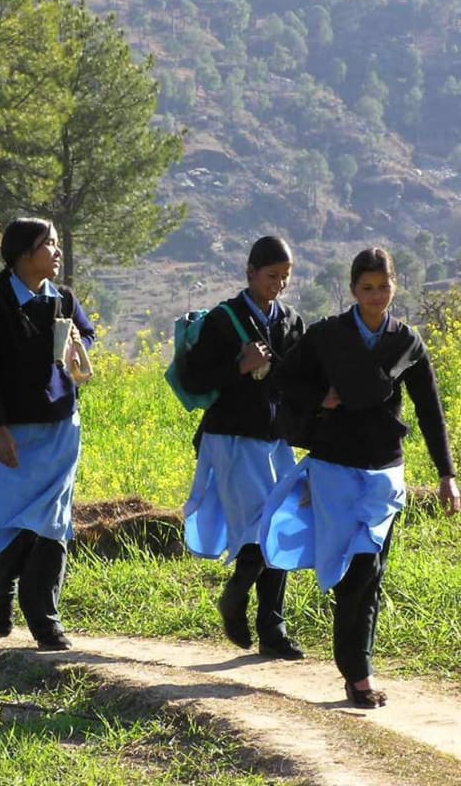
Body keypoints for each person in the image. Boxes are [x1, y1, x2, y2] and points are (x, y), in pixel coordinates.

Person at [261, 247, 460, 706]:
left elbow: (430, 411)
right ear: (353, 290)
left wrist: (447, 473)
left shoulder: (406, 341)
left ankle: (358, 673)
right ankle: (356, 669)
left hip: (384, 473)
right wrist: (322, 398)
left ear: (395, 286)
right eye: (367, 288)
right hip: (334, 469)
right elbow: (286, 379)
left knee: (369, 568)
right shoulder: (329, 335)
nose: (376, 296)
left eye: (384, 287)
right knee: (349, 570)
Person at [0, 216, 95, 651]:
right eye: (50, 245)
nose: (57, 252)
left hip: (61, 424)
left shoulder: (63, 298)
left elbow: (89, 336)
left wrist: (80, 340)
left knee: (54, 522)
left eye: (57, 244)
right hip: (17, 430)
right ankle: (2, 583)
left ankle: (45, 621)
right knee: (23, 518)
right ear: (25, 253)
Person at [181, 235, 306, 660]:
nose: (279, 285)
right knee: (259, 529)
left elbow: (297, 381)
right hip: (232, 440)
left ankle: (272, 627)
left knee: (278, 526)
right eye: (272, 276)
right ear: (250, 272)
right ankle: (236, 597)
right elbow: (195, 380)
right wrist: (240, 366)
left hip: (274, 441)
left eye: (285, 277)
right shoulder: (223, 319)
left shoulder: (290, 321)